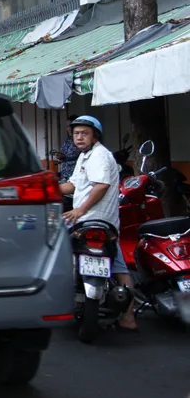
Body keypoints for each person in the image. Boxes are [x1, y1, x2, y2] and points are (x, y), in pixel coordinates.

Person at [60, 115, 138, 332]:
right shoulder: (85, 157)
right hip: (96, 222)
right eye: (76, 133)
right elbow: (72, 186)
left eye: (84, 133)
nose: (79, 137)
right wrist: (46, 188)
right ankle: (129, 317)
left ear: (95, 136)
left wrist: (79, 210)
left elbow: (101, 185)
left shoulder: (100, 156)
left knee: (55, 242)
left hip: (95, 220)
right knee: (119, 266)